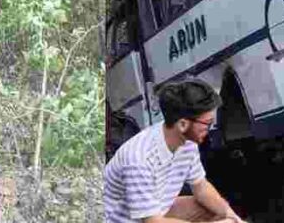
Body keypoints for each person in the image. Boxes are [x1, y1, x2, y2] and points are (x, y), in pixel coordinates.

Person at [104, 79, 247, 223]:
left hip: (156, 210)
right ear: (183, 124)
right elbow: (153, 221)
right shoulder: (139, 159)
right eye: (207, 124)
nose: (209, 128)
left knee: (213, 211)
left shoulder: (187, 142)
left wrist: (231, 215)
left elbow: (201, 187)